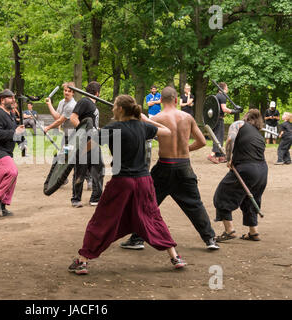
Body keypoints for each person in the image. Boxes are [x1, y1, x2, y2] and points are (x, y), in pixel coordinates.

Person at [68, 95, 186, 275]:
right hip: (144, 182)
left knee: (101, 220)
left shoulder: (113, 128)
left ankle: (83, 261)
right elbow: (167, 132)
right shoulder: (144, 127)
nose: (114, 108)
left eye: (115, 106)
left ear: (120, 109)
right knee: (153, 217)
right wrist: (147, 121)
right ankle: (175, 257)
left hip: (122, 182)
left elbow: (89, 145)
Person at [120, 87, 219, 251]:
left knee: (146, 203)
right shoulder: (187, 117)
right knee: (195, 204)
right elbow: (201, 142)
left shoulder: (157, 118)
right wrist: (186, 149)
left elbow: (138, 138)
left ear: (162, 100)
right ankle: (210, 239)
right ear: (175, 100)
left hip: (165, 166)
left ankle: (137, 239)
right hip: (184, 166)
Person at [213, 109, 267, 242]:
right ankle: (253, 232)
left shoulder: (239, 124)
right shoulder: (258, 135)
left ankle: (229, 231)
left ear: (247, 116)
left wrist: (229, 158)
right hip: (262, 171)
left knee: (222, 196)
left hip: (246, 168)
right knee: (251, 199)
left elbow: (230, 139)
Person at [0, 89, 26, 217]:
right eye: (10, 98)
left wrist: (21, 143)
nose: (13, 100)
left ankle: (2, 205)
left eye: (14, 98)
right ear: (2, 100)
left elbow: (16, 131)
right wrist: (15, 133)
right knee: (12, 172)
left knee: (11, 178)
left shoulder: (11, 114)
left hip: (7, 151)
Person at [69, 81, 104, 207]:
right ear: (97, 93)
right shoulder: (85, 101)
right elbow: (73, 117)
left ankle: (96, 198)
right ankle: (76, 199)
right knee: (80, 170)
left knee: (99, 168)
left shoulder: (93, 105)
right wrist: (84, 133)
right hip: (84, 142)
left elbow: (93, 126)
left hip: (94, 142)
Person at [44, 82, 77, 186]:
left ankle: (89, 179)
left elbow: (60, 121)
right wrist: (49, 105)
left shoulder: (72, 105)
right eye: (65, 90)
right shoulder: (62, 102)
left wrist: (48, 128)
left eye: (69, 91)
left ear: (73, 93)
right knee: (63, 156)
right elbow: (57, 116)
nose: (66, 93)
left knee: (73, 158)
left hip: (74, 135)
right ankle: (62, 178)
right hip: (66, 135)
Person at [207, 82, 242, 164]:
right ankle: (212, 155)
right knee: (218, 137)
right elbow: (224, 109)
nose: (228, 89)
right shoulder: (222, 97)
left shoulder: (217, 96)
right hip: (218, 120)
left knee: (220, 136)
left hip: (215, 120)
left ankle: (220, 156)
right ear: (224, 88)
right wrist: (235, 111)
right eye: (227, 87)